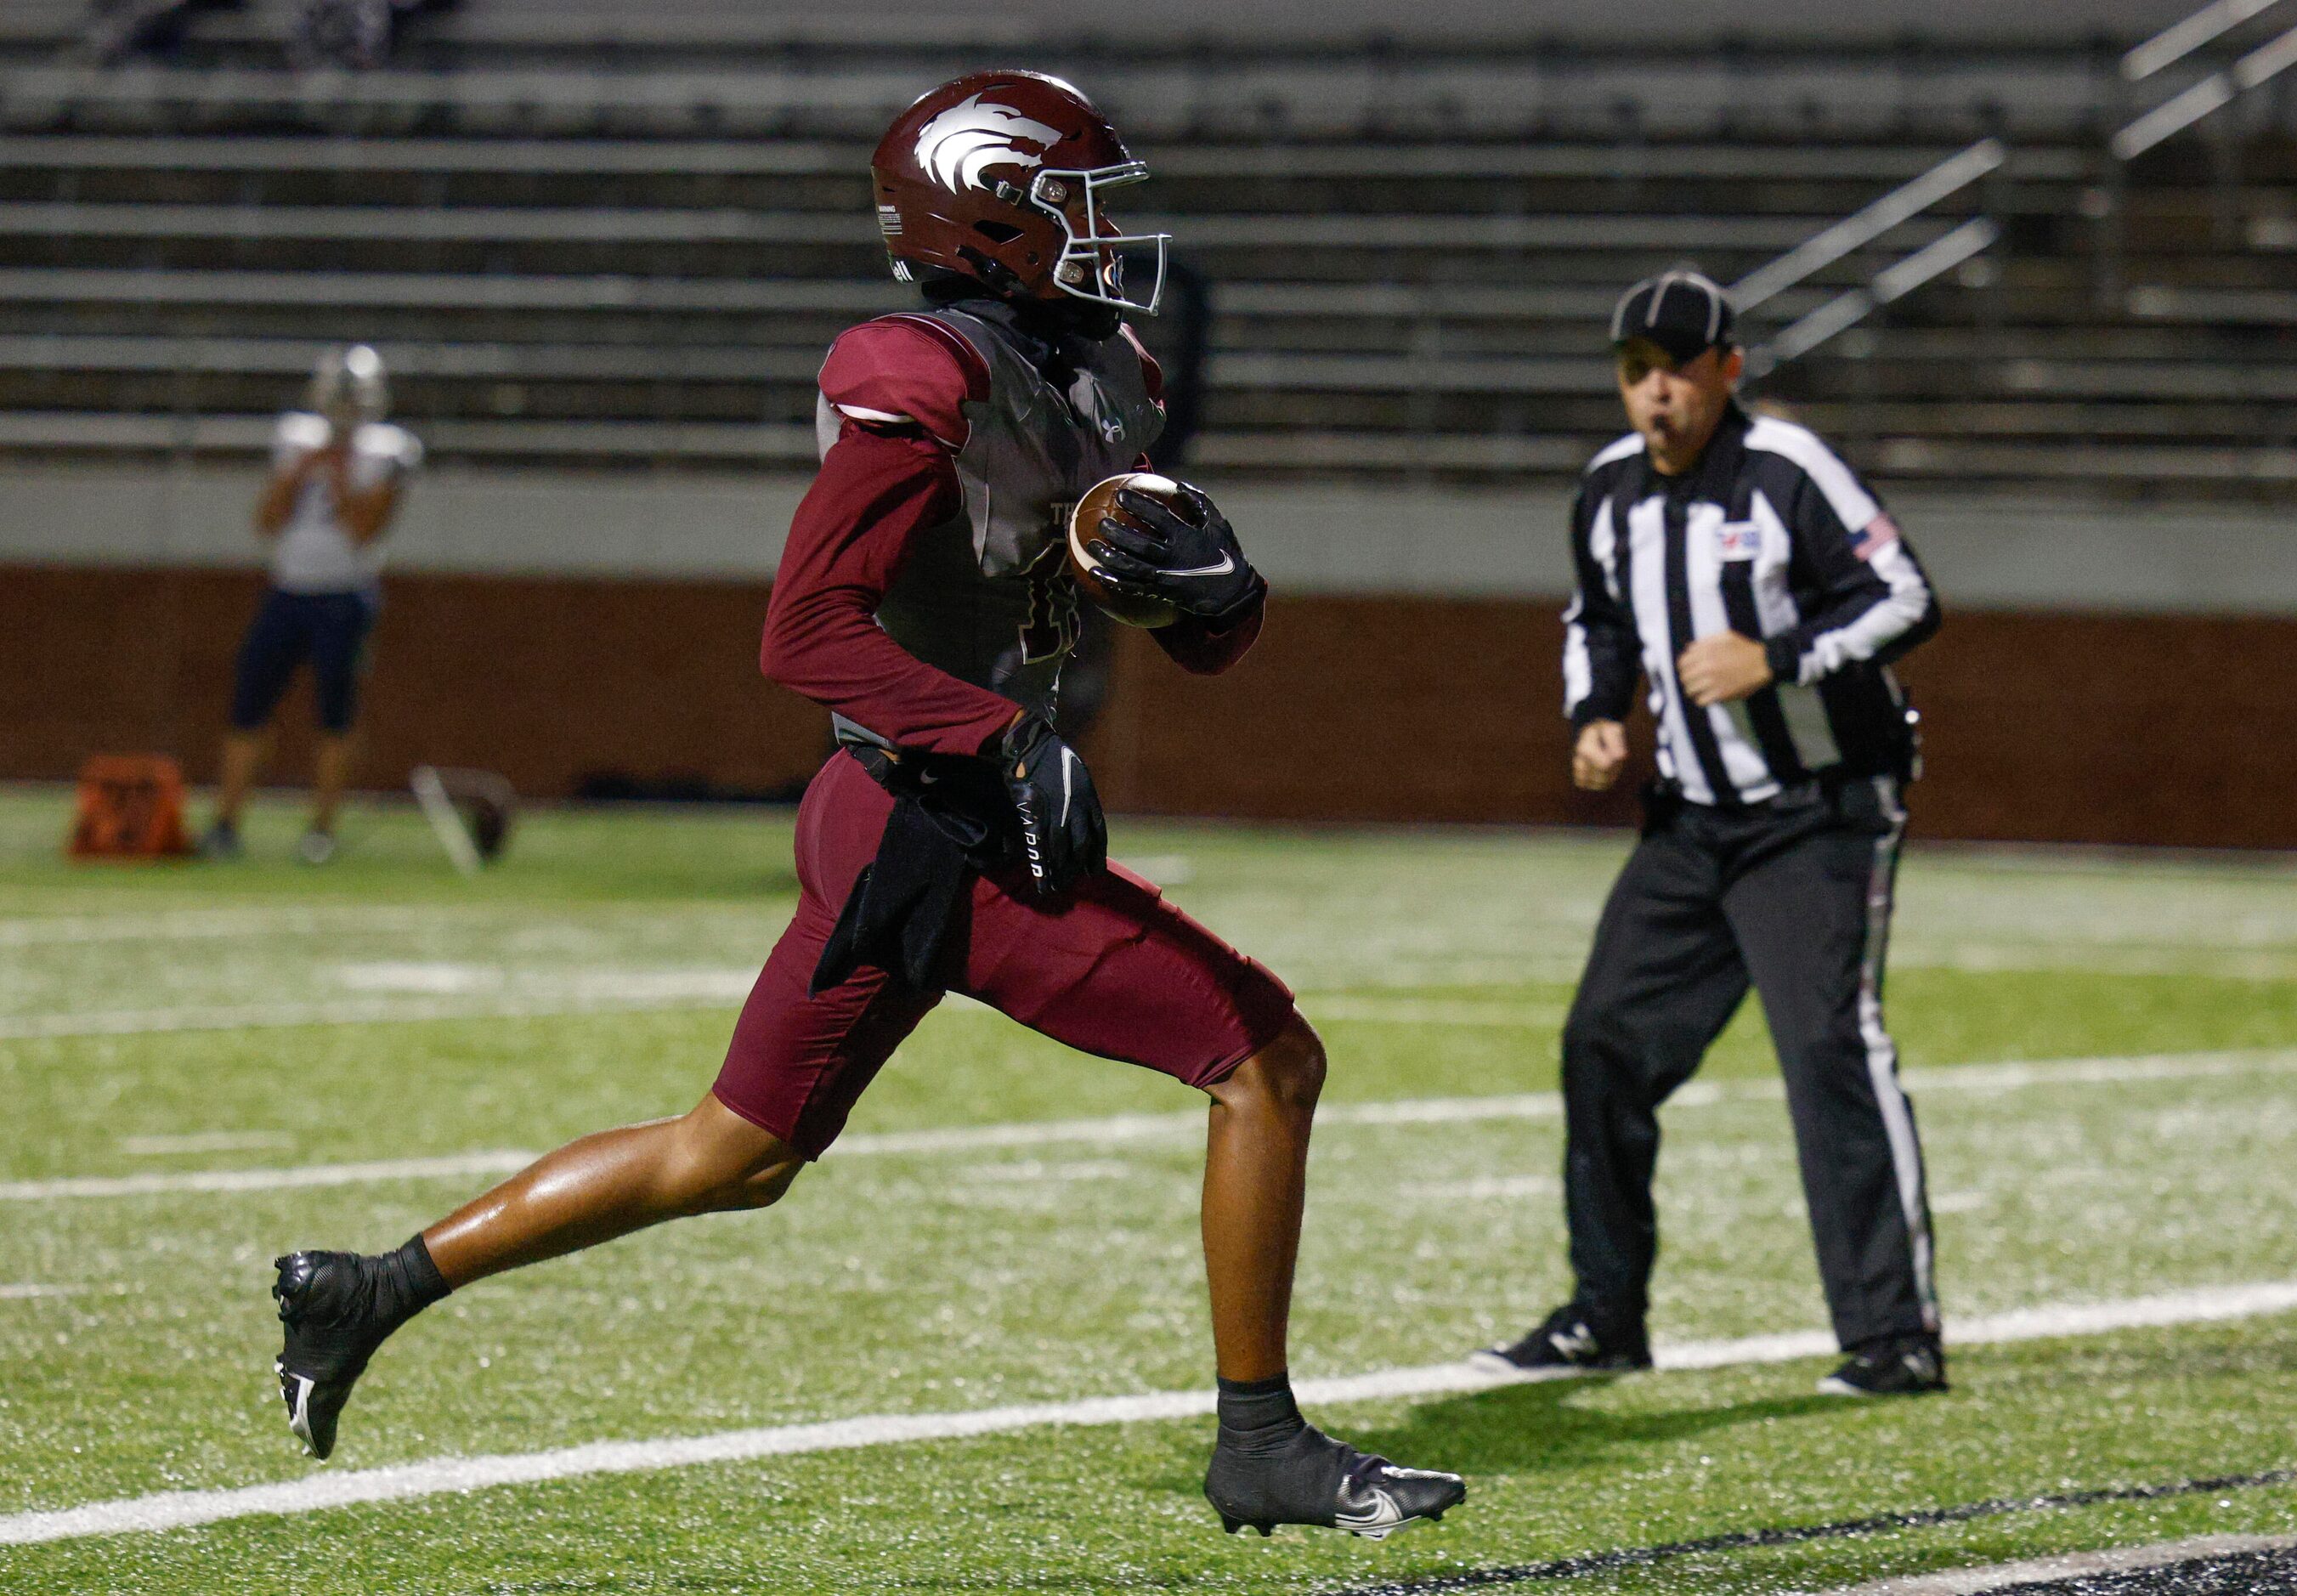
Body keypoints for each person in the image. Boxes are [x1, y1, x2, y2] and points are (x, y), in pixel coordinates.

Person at [267, 72, 1466, 1542]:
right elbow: (808, 631)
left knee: (734, 1152)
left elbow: (1163, 606)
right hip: (924, 811)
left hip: (911, 809)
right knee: (1263, 1060)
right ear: (990, 213)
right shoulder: (918, 364)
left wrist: (1218, 596)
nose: (1103, 231)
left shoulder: (1106, 369)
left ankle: (367, 1286)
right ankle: (1261, 1442)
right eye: (1075, 200)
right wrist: (999, 741)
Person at [1475, 271, 1949, 1398]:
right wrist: (1597, 715)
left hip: (1816, 810)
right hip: (1692, 821)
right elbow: (1593, 615)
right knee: (1602, 1042)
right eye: (1638, 370)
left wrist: (1775, 658)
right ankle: (1607, 1313)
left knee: (1830, 1047)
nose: (1659, 391)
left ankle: (1895, 1335)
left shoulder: (1789, 468)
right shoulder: (1606, 491)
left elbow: (1905, 595)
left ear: (1728, 370)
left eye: (1681, 366)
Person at [203, 345, 419, 865]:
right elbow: (266, 522)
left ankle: (320, 832)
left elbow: (364, 531)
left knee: (335, 717)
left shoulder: (391, 450)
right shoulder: (294, 439)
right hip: (287, 590)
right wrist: (301, 472)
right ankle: (226, 825)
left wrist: (340, 477)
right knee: (249, 707)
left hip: (345, 596)